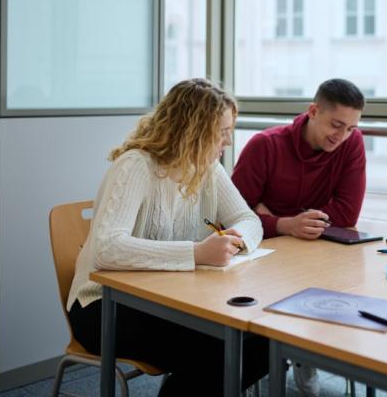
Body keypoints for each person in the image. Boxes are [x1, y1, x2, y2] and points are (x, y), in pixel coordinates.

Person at [66, 78, 268, 396]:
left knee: (261, 342)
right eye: (222, 132)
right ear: (193, 130)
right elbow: (106, 249)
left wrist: (237, 239)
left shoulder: (207, 167)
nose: (228, 142)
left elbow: (248, 219)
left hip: (173, 298)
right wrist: (197, 253)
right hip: (104, 306)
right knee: (221, 348)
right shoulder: (135, 166)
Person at [232, 78, 366, 240]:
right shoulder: (264, 145)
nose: (341, 136)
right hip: (265, 247)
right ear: (313, 112)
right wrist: (285, 225)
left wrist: (275, 219)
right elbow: (232, 216)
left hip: (313, 246)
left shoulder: (352, 141)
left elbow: (347, 213)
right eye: (336, 125)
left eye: (350, 129)